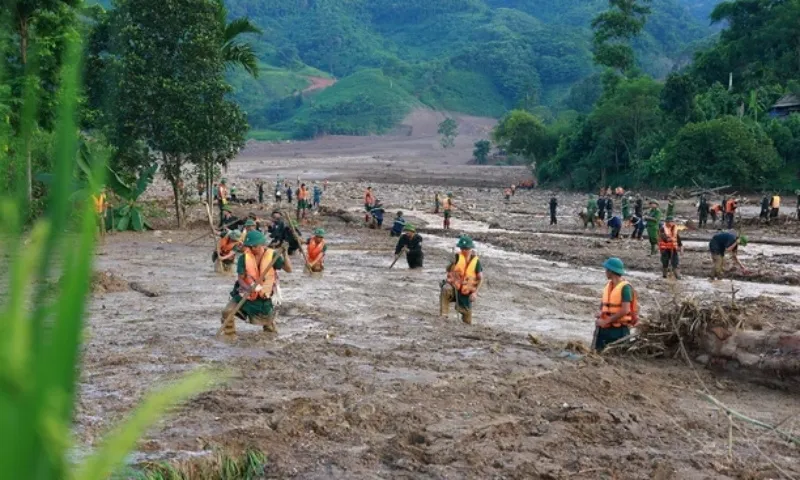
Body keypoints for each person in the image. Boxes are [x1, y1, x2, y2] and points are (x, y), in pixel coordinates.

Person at [221, 231, 292, 336]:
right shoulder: (244, 258)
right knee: (227, 311)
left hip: (264, 297)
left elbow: (288, 269)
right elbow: (240, 278)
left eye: (255, 246)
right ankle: (230, 335)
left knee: (269, 327)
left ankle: (269, 339)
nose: (252, 249)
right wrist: (247, 288)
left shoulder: (272, 255)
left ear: (262, 245)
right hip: (247, 293)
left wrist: (285, 253)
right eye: (250, 246)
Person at [594, 257, 638, 352]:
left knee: (615, 355)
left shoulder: (625, 288)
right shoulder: (608, 286)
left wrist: (606, 321)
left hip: (619, 331)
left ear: (611, 271)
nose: (605, 272)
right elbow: (603, 305)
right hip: (605, 329)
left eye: (606, 270)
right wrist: (600, 313)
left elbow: (625, 310)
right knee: (598, 353)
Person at [440, 235, 483, 325]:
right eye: (462, 248)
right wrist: (452, 263)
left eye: (466, 249)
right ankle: (444, 315)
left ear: (471, 249)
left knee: (467, 322)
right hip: (454, 289)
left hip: (466, 293)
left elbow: (481, 278)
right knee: (445, 288)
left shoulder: (476, 262)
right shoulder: (457, 257)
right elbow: (448, 270)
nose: (464, 251)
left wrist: (475, 293)